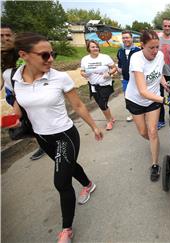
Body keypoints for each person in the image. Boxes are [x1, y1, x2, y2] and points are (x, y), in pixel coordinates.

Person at [3, 32, 103, 243]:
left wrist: (94, 127)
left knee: (61, 181)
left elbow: (78, 105)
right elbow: (18, 108)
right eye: (45, 55)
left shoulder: (59, 77)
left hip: (65, 135)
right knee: (68, 165)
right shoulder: (13, 78)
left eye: (53, 54)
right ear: (24, 55)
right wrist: (11, 119)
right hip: (42, 138)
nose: (51, 59)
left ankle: (66, 229)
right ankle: (88, 184)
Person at [125, 30, 170, 182]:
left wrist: (165, 84)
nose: (155, 51)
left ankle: (155, 164)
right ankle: (153, 142)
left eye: (157, 47)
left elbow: (159, 73)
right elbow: (143, 91)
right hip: (136, 100)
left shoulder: (160, 55)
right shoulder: (136, 59)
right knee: (144, 132)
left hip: (153, 100)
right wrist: (168, 101)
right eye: (151, 48)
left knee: (152, 131)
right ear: (142, 45)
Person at [1, 23, 46, 160]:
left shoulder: (23, 51)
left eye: (8, 35)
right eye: (1, 36)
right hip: (13, 94)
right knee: (27, 122)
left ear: (13, 36)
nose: (4, 38)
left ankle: (48, 142)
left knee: (38, 119)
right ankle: (43, 143)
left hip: (30, 91)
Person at [80, 40, 117, 130]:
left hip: (105, 84)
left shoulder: (105, 57)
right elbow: (82, 71)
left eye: (96, 46)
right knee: (101, 104)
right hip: (93, 85)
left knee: (102, 104)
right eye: (93, 47)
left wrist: (109, 73)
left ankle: (109, 122)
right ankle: (111, 117)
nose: (95, 48)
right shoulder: (85, 59)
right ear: (88, 49)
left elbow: (114, 68)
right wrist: (83, 74)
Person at [117, 30, 141, 122]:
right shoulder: (120, 51)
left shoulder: (138, 50)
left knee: (140, 96)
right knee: (128, 97)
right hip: (126, 79)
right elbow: (119, 63)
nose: (125, 39)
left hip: (137, 79)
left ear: (131, 38)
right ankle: (133, 114)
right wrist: (119, 69)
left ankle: (143, 112)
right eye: (123, 38)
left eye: (127, 37)